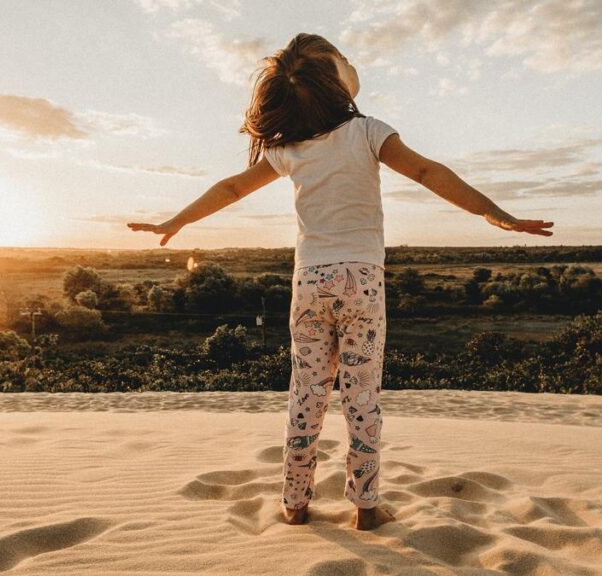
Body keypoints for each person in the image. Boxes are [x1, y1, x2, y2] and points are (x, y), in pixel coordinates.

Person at [128, 33, 554, 531]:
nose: (354, 65)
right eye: (345, 60)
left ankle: (294, 503)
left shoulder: (289, 148)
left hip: (310, 281)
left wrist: (176, 221)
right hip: (362, 281)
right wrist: (493, 213)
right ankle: (367, 508)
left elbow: (230, 187)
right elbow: (426, 170)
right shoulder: (369, 131)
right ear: (336, 81)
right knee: (362, 396)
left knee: (305, 395)